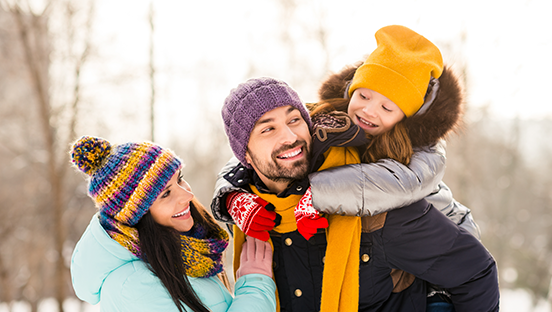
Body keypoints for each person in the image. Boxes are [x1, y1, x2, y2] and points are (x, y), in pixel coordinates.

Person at [212, 25, 499, 312]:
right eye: (363, 97)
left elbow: (474, 270)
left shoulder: (404, 170)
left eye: (387, 108)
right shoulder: (324, 129)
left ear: (404, 118)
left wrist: (315, 195)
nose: (369, 111)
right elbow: (243, 163)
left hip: (443, 222)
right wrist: (230, 196)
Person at [69, 136, 276, 312]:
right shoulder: (134, 289)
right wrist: (254, 286)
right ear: (137, 217)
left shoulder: (180, 257)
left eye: (180, 180)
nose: (188, 195)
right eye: (166, 194)